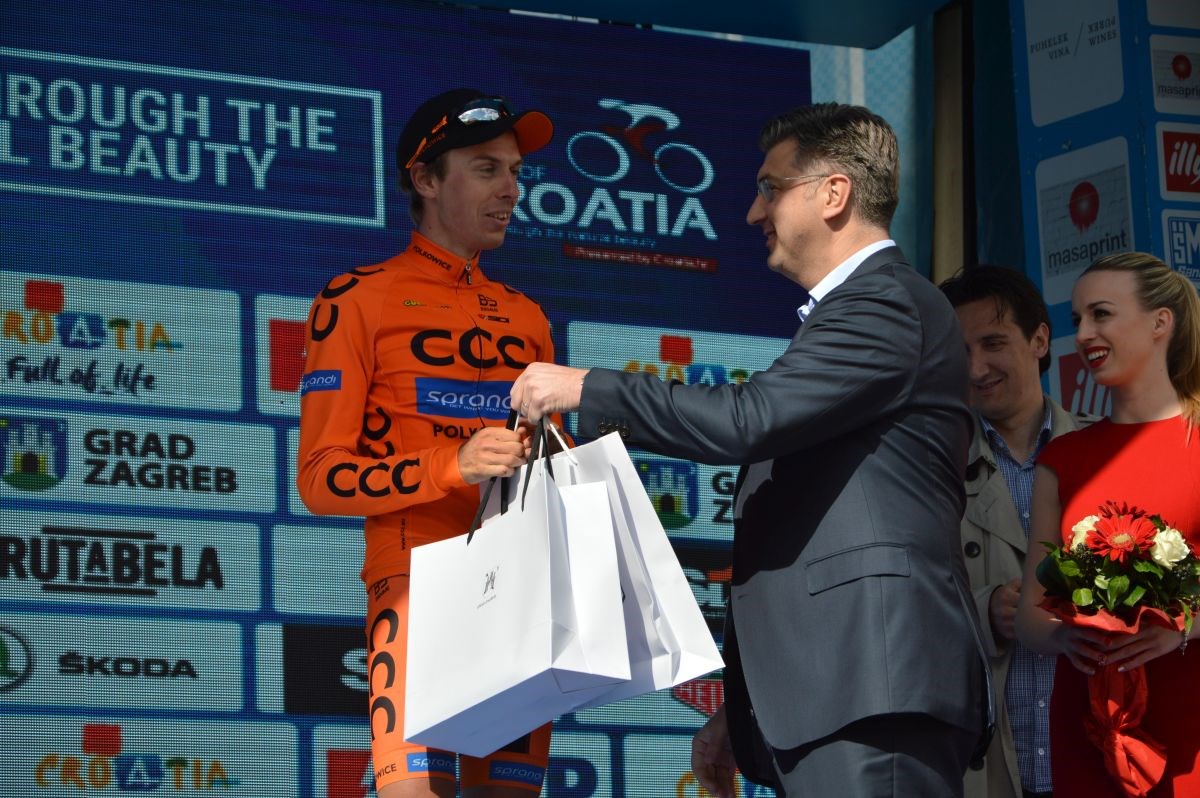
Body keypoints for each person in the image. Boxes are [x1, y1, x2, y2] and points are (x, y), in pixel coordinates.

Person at [512, 102, 987, 797]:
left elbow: (750, 419)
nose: (753, 212)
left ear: (834, 193)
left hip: (873, 683)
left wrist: (587, 387)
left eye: (771, 188)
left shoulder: (883, 303)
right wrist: (741, 714)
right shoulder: (862, 310)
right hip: (840, 689)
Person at [297, 88, 559, 798]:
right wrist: (452, 464)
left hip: (518, 590)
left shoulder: (529, 317)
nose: (510, 189)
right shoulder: (356, 298)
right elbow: (320, 478)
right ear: (425, 178)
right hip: (413, 582)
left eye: (515, 172)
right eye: (486, 169)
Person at [1014, 252, 1200, 796]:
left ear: (1160, 322)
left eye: (1101, 314)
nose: (1084, 335)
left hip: (1189, 719)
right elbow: (1030, 617)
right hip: (1087, 723)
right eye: (1078, 320)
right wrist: (1067, 635)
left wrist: (1181, 628)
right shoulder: (1062, 459)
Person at [941, 265, 1093, 798]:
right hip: (985, 768)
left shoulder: (1107, 454)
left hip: (1095, 755)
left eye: (993, 343)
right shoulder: (929, 468)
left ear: (1040, 340)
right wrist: (985, 611)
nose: (976, 368)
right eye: (960, 351)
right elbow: (897, 608)